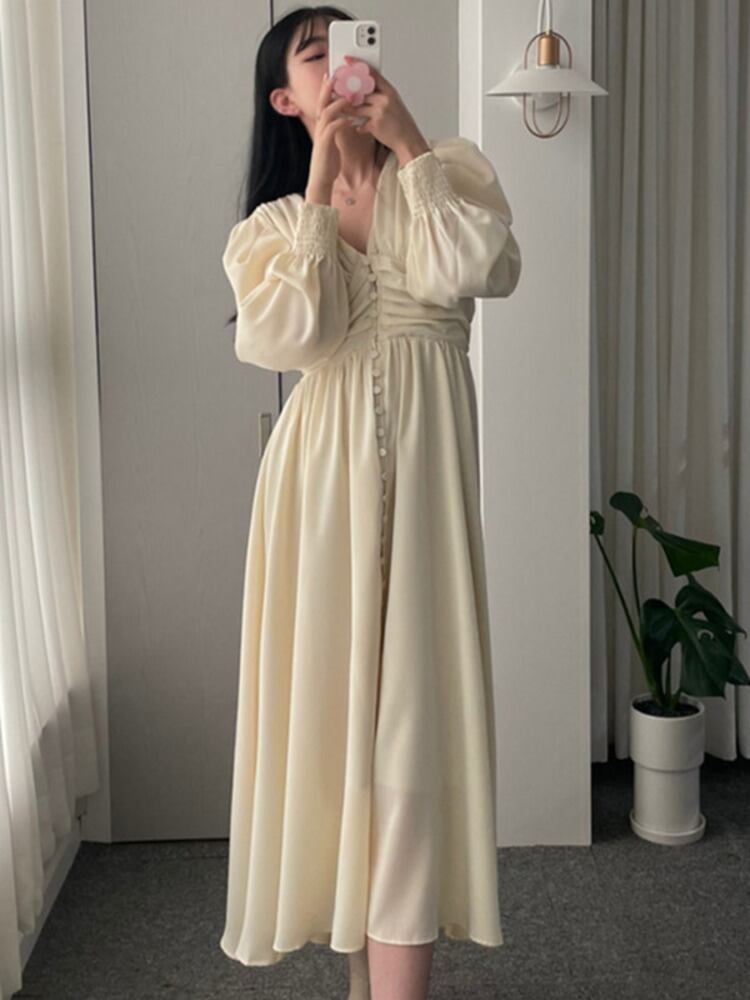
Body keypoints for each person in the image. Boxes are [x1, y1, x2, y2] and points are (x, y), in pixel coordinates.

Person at [219, 7, 522, 999]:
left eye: (354, 45)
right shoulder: (273, 228)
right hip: (319, 494)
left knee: (410, 742)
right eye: (316, 55)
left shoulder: (446, 175)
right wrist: (322, 179)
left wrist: (409, 144)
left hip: (427, 490)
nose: (341, 63)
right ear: (285, 98)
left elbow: (481, 269)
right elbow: (292, 336)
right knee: (345, 742)